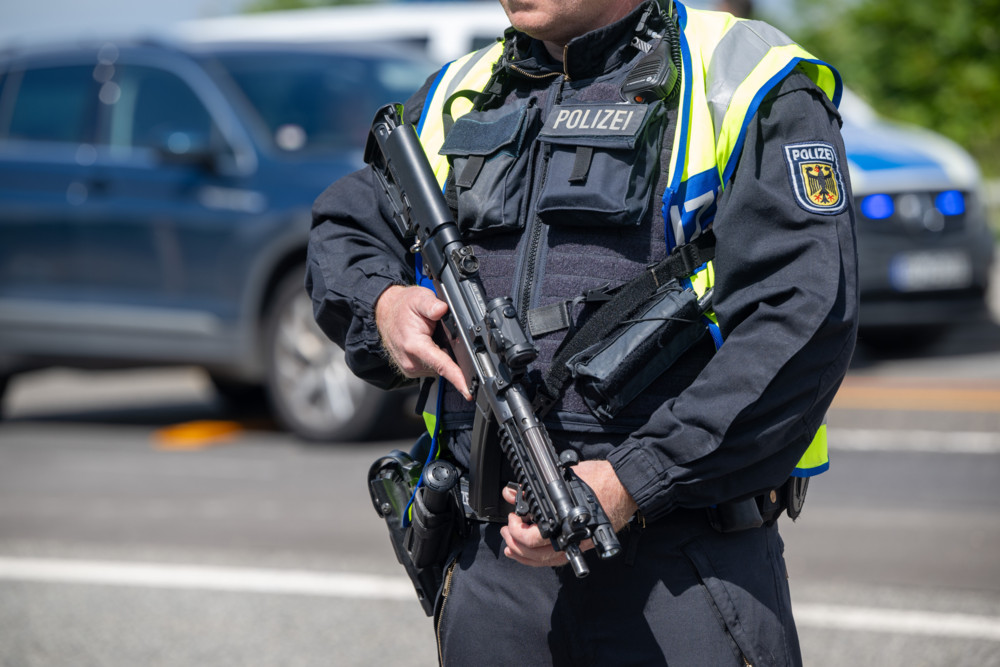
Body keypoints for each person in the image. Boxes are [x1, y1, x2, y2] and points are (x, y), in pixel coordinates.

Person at [307, 0, 858, 664]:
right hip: (493, 565)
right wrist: (384, 304)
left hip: (680, 567)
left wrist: (633, 480)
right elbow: (346, 227)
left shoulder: (746, 76)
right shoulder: (460, 89)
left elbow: (802, 318)